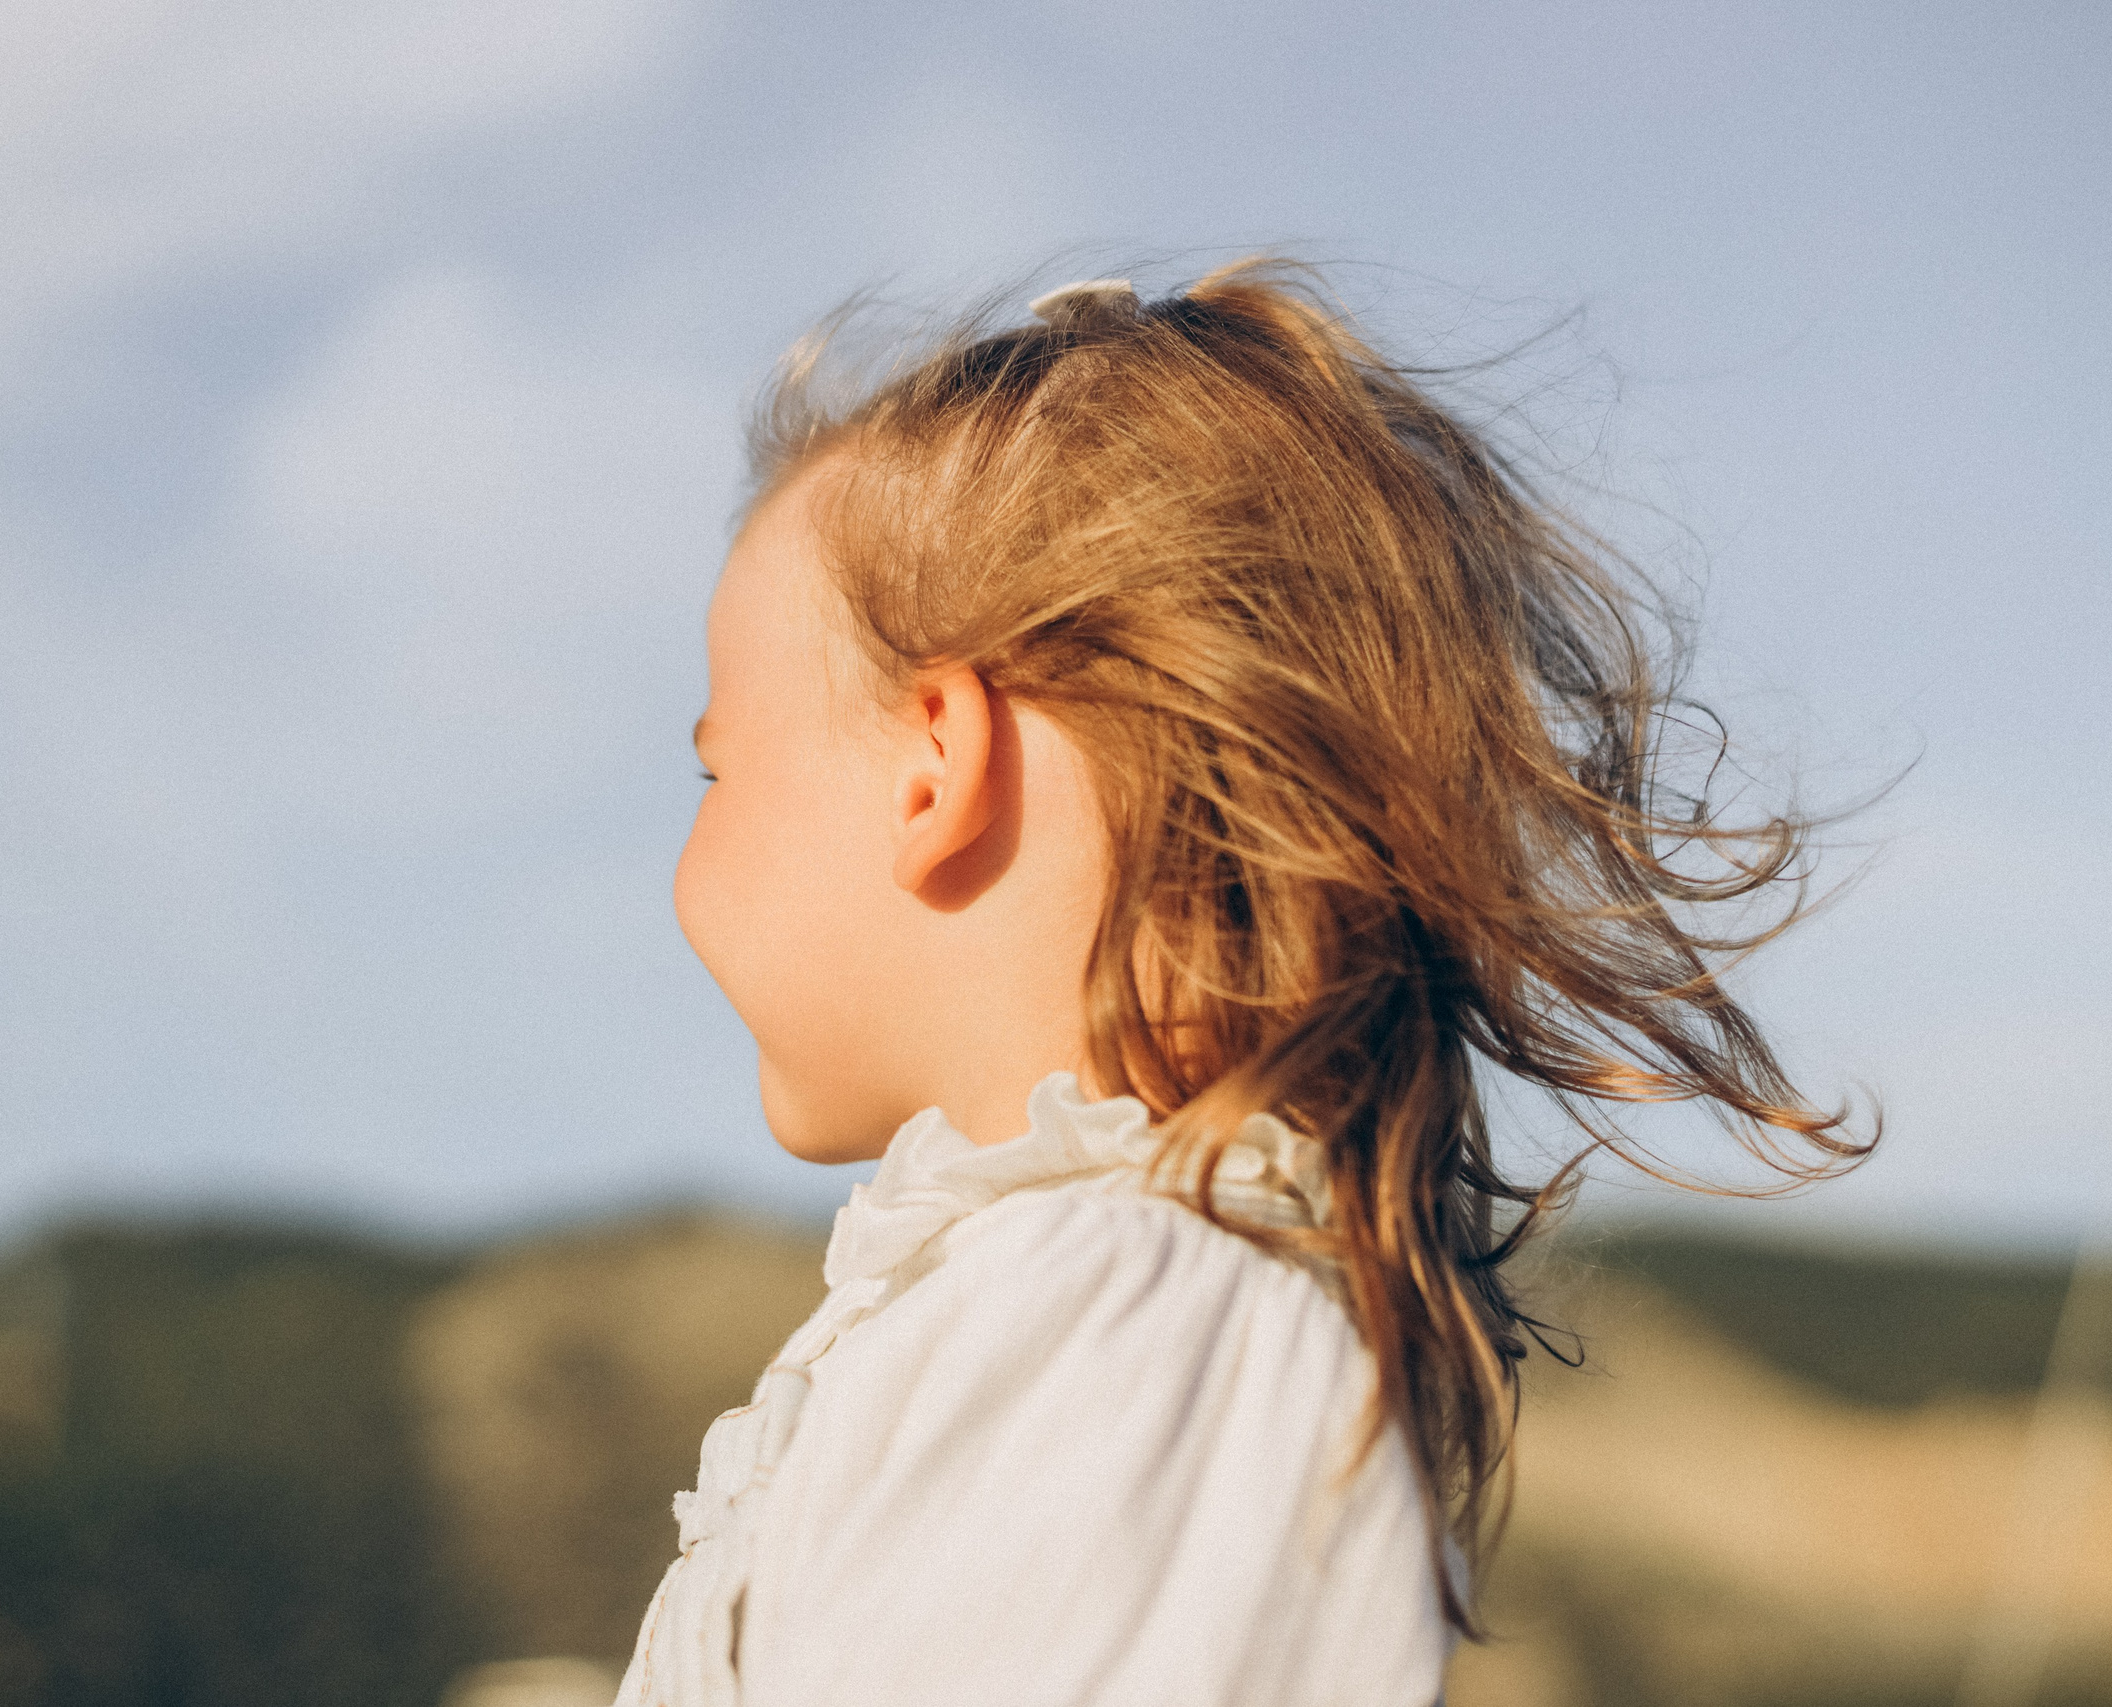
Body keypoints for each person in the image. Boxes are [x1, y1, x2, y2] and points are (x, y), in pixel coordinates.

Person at [618, 262, 1866, 1707]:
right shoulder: (1076, 1306)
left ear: (932, 769)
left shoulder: (1124, 1328)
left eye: (720, 767)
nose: (686, 850)